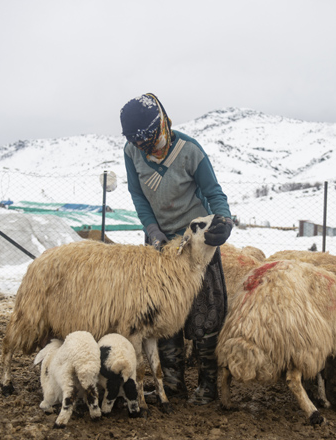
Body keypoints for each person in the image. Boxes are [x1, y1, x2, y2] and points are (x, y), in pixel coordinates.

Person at [120, 93, 234, 405]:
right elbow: (137, 195)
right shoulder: (132, 152)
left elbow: (213, 192)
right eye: (143, 144)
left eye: (153, 139)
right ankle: (171, 382)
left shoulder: (189, 151)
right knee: (161, 312)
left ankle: (208, 383)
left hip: (197, 243)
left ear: (163, 123)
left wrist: (223, 220)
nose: (150, 148)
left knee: (206, 310)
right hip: (159, 245)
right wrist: (152, 229)